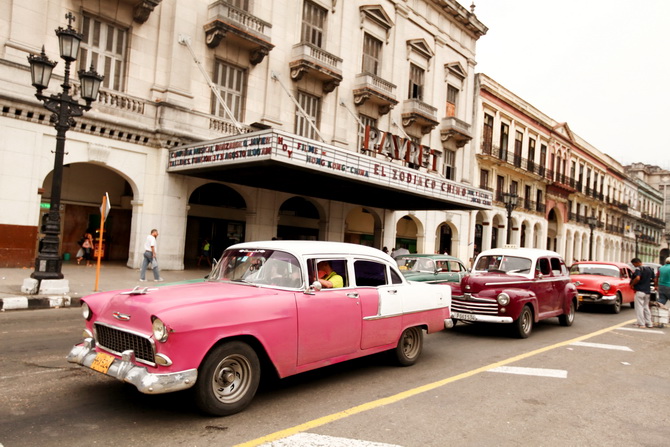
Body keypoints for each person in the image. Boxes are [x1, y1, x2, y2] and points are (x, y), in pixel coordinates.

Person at [630, 257, 653, 328]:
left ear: (637, 262)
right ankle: (649, 323)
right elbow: (654, 278)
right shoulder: (649, 269)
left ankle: (641, 323)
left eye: (633, 264)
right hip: (647, 291)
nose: (633, 266)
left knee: (639, 307)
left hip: (640, 291)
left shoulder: (638, 269)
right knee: (646, 307)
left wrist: (632, 284)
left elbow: (637, 278)